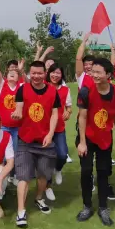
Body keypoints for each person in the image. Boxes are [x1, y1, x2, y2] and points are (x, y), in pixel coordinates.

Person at [11, 61, 60, 228]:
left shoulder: (53, 91)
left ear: (45, 73)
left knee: (43, 176)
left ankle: (39, 198)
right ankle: (21, 211)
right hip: (25, 140)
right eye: (33, 73)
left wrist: (50, 134)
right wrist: (18, 112)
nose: (36, 76)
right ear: (29, 73)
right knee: (23, 176)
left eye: (40, 73)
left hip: (45, 141)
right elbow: (19, 107)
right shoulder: (23, 89)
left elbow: (55, 114)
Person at [76, 58, 115, 226]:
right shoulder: (86, 91)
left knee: (103, 172)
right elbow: (82, 117)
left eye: (98, 72)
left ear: (108, 75)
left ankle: (103, 207)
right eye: (92, 71)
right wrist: (82, 142)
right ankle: (87, 206)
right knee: (86, 171)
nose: (94, 75)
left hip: (105, 137)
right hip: (87, 136)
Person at [0, 43, 20, 184]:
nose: (13, 73)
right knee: (1, 152)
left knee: (13, 153)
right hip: (3, 126)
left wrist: (21, 70)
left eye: (15, 72)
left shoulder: (21, 87)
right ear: (6, 75)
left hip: (16, 128)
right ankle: (0, 177)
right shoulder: (2, 85)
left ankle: (12, 176)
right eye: (10, 72)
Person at [45, 63, 71, 201]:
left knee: (62, 154)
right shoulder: (43, 86)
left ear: (61, 75)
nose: (55, 75)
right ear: (48, 73)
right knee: (47, 158)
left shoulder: (65, 90)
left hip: (59, 128)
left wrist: (68, 112)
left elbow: (69, 107)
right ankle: (48, 186)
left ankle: (58, 169)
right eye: (53, 72)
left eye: (58, 73)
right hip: (44, 128)